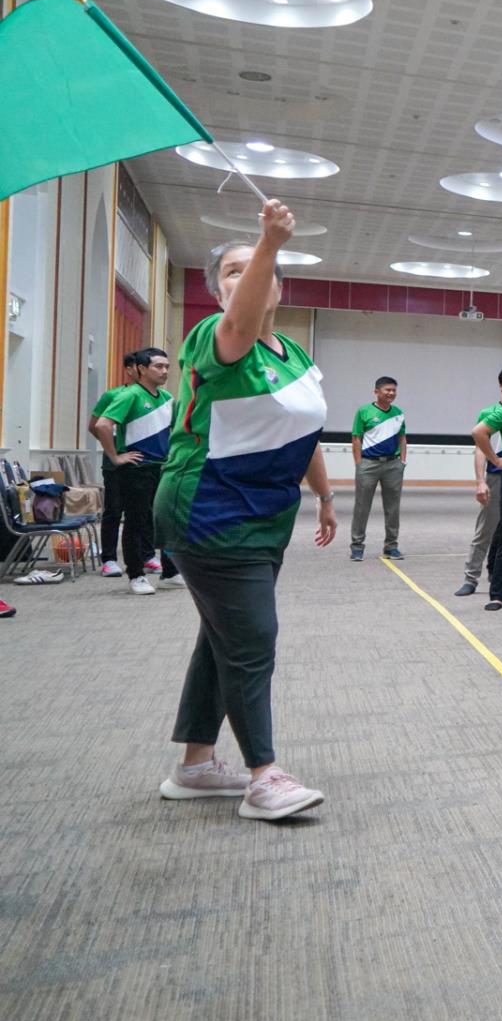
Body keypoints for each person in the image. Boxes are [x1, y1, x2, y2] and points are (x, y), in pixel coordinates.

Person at [153, 201, 333, 821]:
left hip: (266, 518)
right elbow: (238, 325)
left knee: (222, 638)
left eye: (256, 268)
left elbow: (304, 432)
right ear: (220, 290)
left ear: (281, 287)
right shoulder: (215, 337)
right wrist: (268, 244)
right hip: (209, 513)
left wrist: (326, 496)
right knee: (252, 639)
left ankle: (195, 766)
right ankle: (263, 776)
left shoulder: (294, 354)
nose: (248, 274)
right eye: (233, 270)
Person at [94, 346, 181, 595]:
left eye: (167, 367)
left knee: (165, 520)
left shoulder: (167, 398)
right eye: (158, 366)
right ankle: (136, 575)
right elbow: (102, 425)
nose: (164, 371)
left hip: (162, 468)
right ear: (142, 369)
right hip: (136, 468)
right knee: (136, 521)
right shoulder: (130, 395)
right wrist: (115, 456)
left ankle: (170, 572)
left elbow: (176, 430)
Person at [457, 364, 502, 597]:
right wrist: (481, 480)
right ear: (501, 385)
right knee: (485, 530)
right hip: (497, 477)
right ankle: (471, 578)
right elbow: (480, 448)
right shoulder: (490, 413)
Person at [90, 350, 143, 577]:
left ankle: (146, 556)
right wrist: (114, 450)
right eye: (139, 367)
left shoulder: (157, 397)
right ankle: (109, 559)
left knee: (140, 513)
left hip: (142, 464)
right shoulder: (113, 395)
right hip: (116, 465)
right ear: (130, 369)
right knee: (113, 510)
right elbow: (95, 426)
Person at [348, 376, 406, 562]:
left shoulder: (398, 413)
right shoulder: (364, 411)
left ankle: (391, 546)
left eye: (394, 390)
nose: (391, 393)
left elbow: (402, 437)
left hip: (393, 465)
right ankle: (357, 546)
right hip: (368, 464)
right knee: (362, 506)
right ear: (376, 391)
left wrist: (402, 461)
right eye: (387, 390)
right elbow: (356, 438)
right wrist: (359, 463)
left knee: (393, 508)